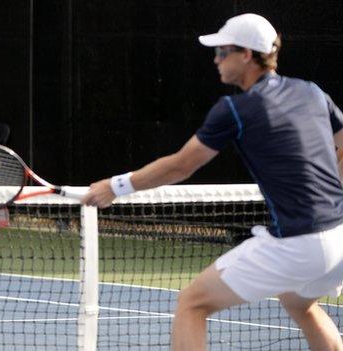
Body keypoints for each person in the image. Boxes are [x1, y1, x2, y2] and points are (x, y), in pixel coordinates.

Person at [82, 13, 343, 350]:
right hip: (340, 237)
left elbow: (180, 166)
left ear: (246, 55)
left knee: (192, 303)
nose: (216, 60)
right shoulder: (311, 92)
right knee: (300, 304)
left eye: (222, 52)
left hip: (298, 244)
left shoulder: (235, 109)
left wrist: (114, 187)